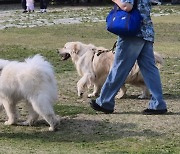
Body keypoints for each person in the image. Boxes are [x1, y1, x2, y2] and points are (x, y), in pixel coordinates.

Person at [89, 0, 167, 115]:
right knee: (150, 69)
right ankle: (158, 104)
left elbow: (127, 6)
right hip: (147, 32)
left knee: (119, 68)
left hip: (132, 32)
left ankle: (104, 102)